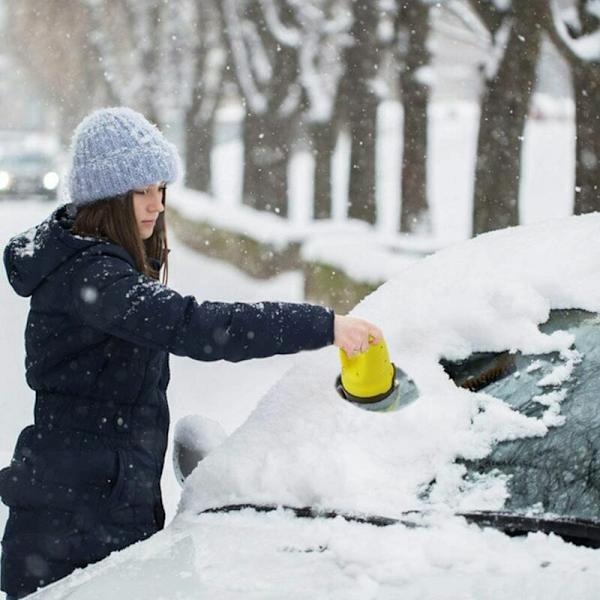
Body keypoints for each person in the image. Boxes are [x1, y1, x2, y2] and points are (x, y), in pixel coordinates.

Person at [0, 107, 382, 598]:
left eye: (160, 189)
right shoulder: (93, 276)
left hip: (95, 502)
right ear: (105, 196)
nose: (156, 204)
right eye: (140, 190)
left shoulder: (92, 262)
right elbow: (200, 326)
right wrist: (323, 325)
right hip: (75, 523)